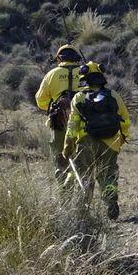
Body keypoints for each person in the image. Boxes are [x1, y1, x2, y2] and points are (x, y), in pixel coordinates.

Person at [63, 61, 132, 219]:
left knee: (84, 176)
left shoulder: (79, 98)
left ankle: (83, 211)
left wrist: (68, 145)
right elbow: (126, 120)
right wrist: (119, 141)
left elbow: (72, 125)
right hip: (110, 143)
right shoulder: (113, 95)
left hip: (86, 142)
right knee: (108, 174)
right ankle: (110, 199)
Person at [35, 44, 87, 178]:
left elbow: (40, 101)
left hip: (59, 122)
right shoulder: (86, 72)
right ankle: (83, 192)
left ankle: (64, 194)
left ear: (59, 58)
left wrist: (54, 102)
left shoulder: (51, 74)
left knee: (60, 160)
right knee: (83, 160)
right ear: (77, 57)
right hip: (84, 122)